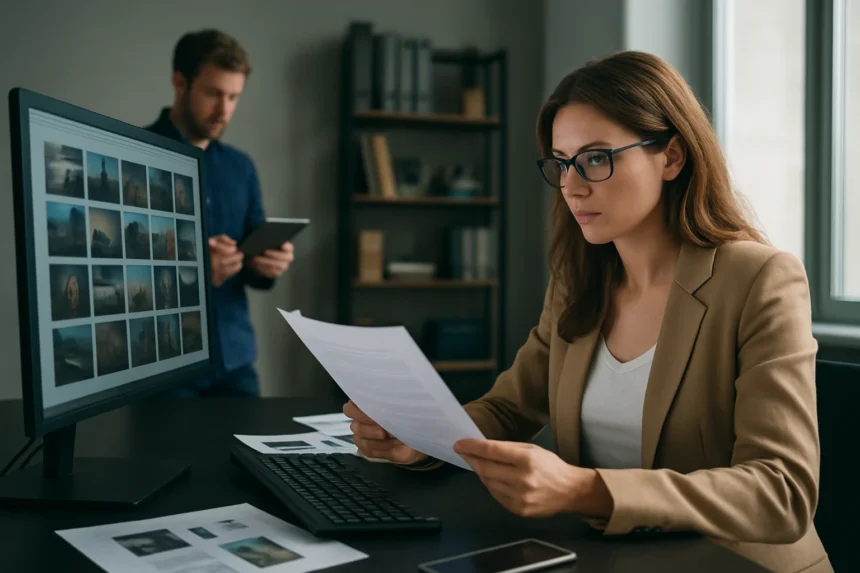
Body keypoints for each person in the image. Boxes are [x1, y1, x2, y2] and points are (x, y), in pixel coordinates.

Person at [343, 51, 832, 573]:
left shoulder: (760, 280)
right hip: (612, 558)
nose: (573, 186)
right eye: (562, 162)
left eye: (597, 158)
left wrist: (586, 489)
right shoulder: (579, 281)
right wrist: (419, 439)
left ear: (671, 157)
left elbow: (782, 491)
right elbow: (509, 411)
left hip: (733, 563)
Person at [145, 29, 294, 397]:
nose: (224, 109)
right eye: (214, 93)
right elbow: (112, 269)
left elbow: (253, 265)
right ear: (180, 82)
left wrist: (268, 264)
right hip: (165, 364)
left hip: (235, 361)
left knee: (249, 457)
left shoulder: (241, 167)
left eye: (233, 97)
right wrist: (192, 274)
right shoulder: (134, 156)